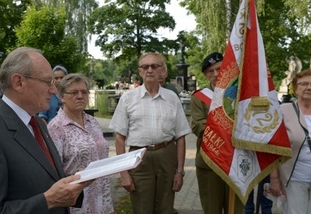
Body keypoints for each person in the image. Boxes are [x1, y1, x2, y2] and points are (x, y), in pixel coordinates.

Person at [0, 47, 89, 214]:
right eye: (47, 82)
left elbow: (42, 179)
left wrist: (71, 183)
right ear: (19, 82)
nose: (54, 90)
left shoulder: (36, 123)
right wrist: (48, 201)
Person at [109, 53, 191, 214]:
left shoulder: (172, 98)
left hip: (166, 155)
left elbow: (181, 137)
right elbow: (119, 138)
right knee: (142, 207)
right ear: (140, 71)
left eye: (155, 66)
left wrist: (180, 172)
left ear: (162, 71)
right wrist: (124, 173)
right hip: (139, 157)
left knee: (165, 208)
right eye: (145, 67)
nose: (150, 70)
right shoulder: (128, 99)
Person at [48, 73, 114, 214]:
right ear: (62, 97)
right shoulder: (56, 128)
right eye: (74, 92)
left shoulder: (93, 122)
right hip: (78, 203)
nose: (80, 96)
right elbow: (53, 172)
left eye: (84, 92)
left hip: (102, 198)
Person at [190, 52, 244, 214]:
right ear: (205, 75)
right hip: (209, 161)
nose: (215, 74)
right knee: (211, 208)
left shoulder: (241, 95)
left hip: (237, 160)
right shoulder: (199, 97)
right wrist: (228, 127)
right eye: (210, 71)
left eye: (219, 69)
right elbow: (198, 126)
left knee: (235, 209)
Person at [269, 68, 311, 213]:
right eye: (304, 84)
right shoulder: (283, 110)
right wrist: (274, 178)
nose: (309, 87)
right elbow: (273, 146)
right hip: (294, 178)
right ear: (295, 87)